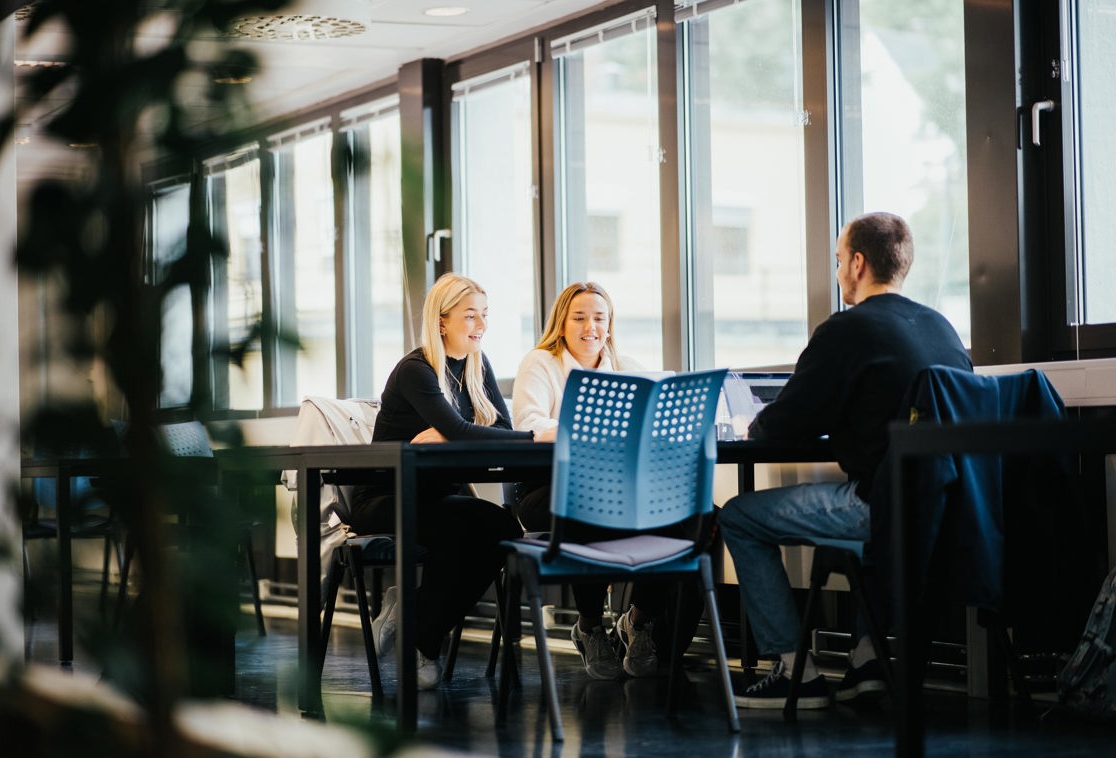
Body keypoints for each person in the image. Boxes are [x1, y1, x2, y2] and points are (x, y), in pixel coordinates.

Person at [717, 212, 972, 710]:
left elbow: (790, 420)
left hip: (882, 505)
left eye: (838, 261)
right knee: (875, 512)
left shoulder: (846, 330)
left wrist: (757, 428)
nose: (838, 273)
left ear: (857, 263)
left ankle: (795, 671)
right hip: (949, 503)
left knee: (737, 516)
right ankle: (867, 660)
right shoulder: (942, 328)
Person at [355, 272, 552, 690]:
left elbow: (498, 425)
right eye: (469, 316)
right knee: (456, 531)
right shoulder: (416, 369)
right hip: (386, 497)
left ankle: (418, 628)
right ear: (441, 321)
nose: (480, 325)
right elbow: (469, 432)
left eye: (484, 315)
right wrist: (525, 435)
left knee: (499, 528)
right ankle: (422, 639)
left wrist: (454, 429)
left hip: (437, 497)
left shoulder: (477, 366)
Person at [511, 281, 704, 681]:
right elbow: (528, 424)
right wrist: (592, 430)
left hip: (617, 487)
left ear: (610, 325)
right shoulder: (541, 362)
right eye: (579, 317)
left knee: (690, 511)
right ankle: (590, 626)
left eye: (599, 318)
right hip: (545, 488)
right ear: (561, 323)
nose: (590, 327)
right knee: (593, 501)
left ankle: (640, 619)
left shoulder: (627, 367)